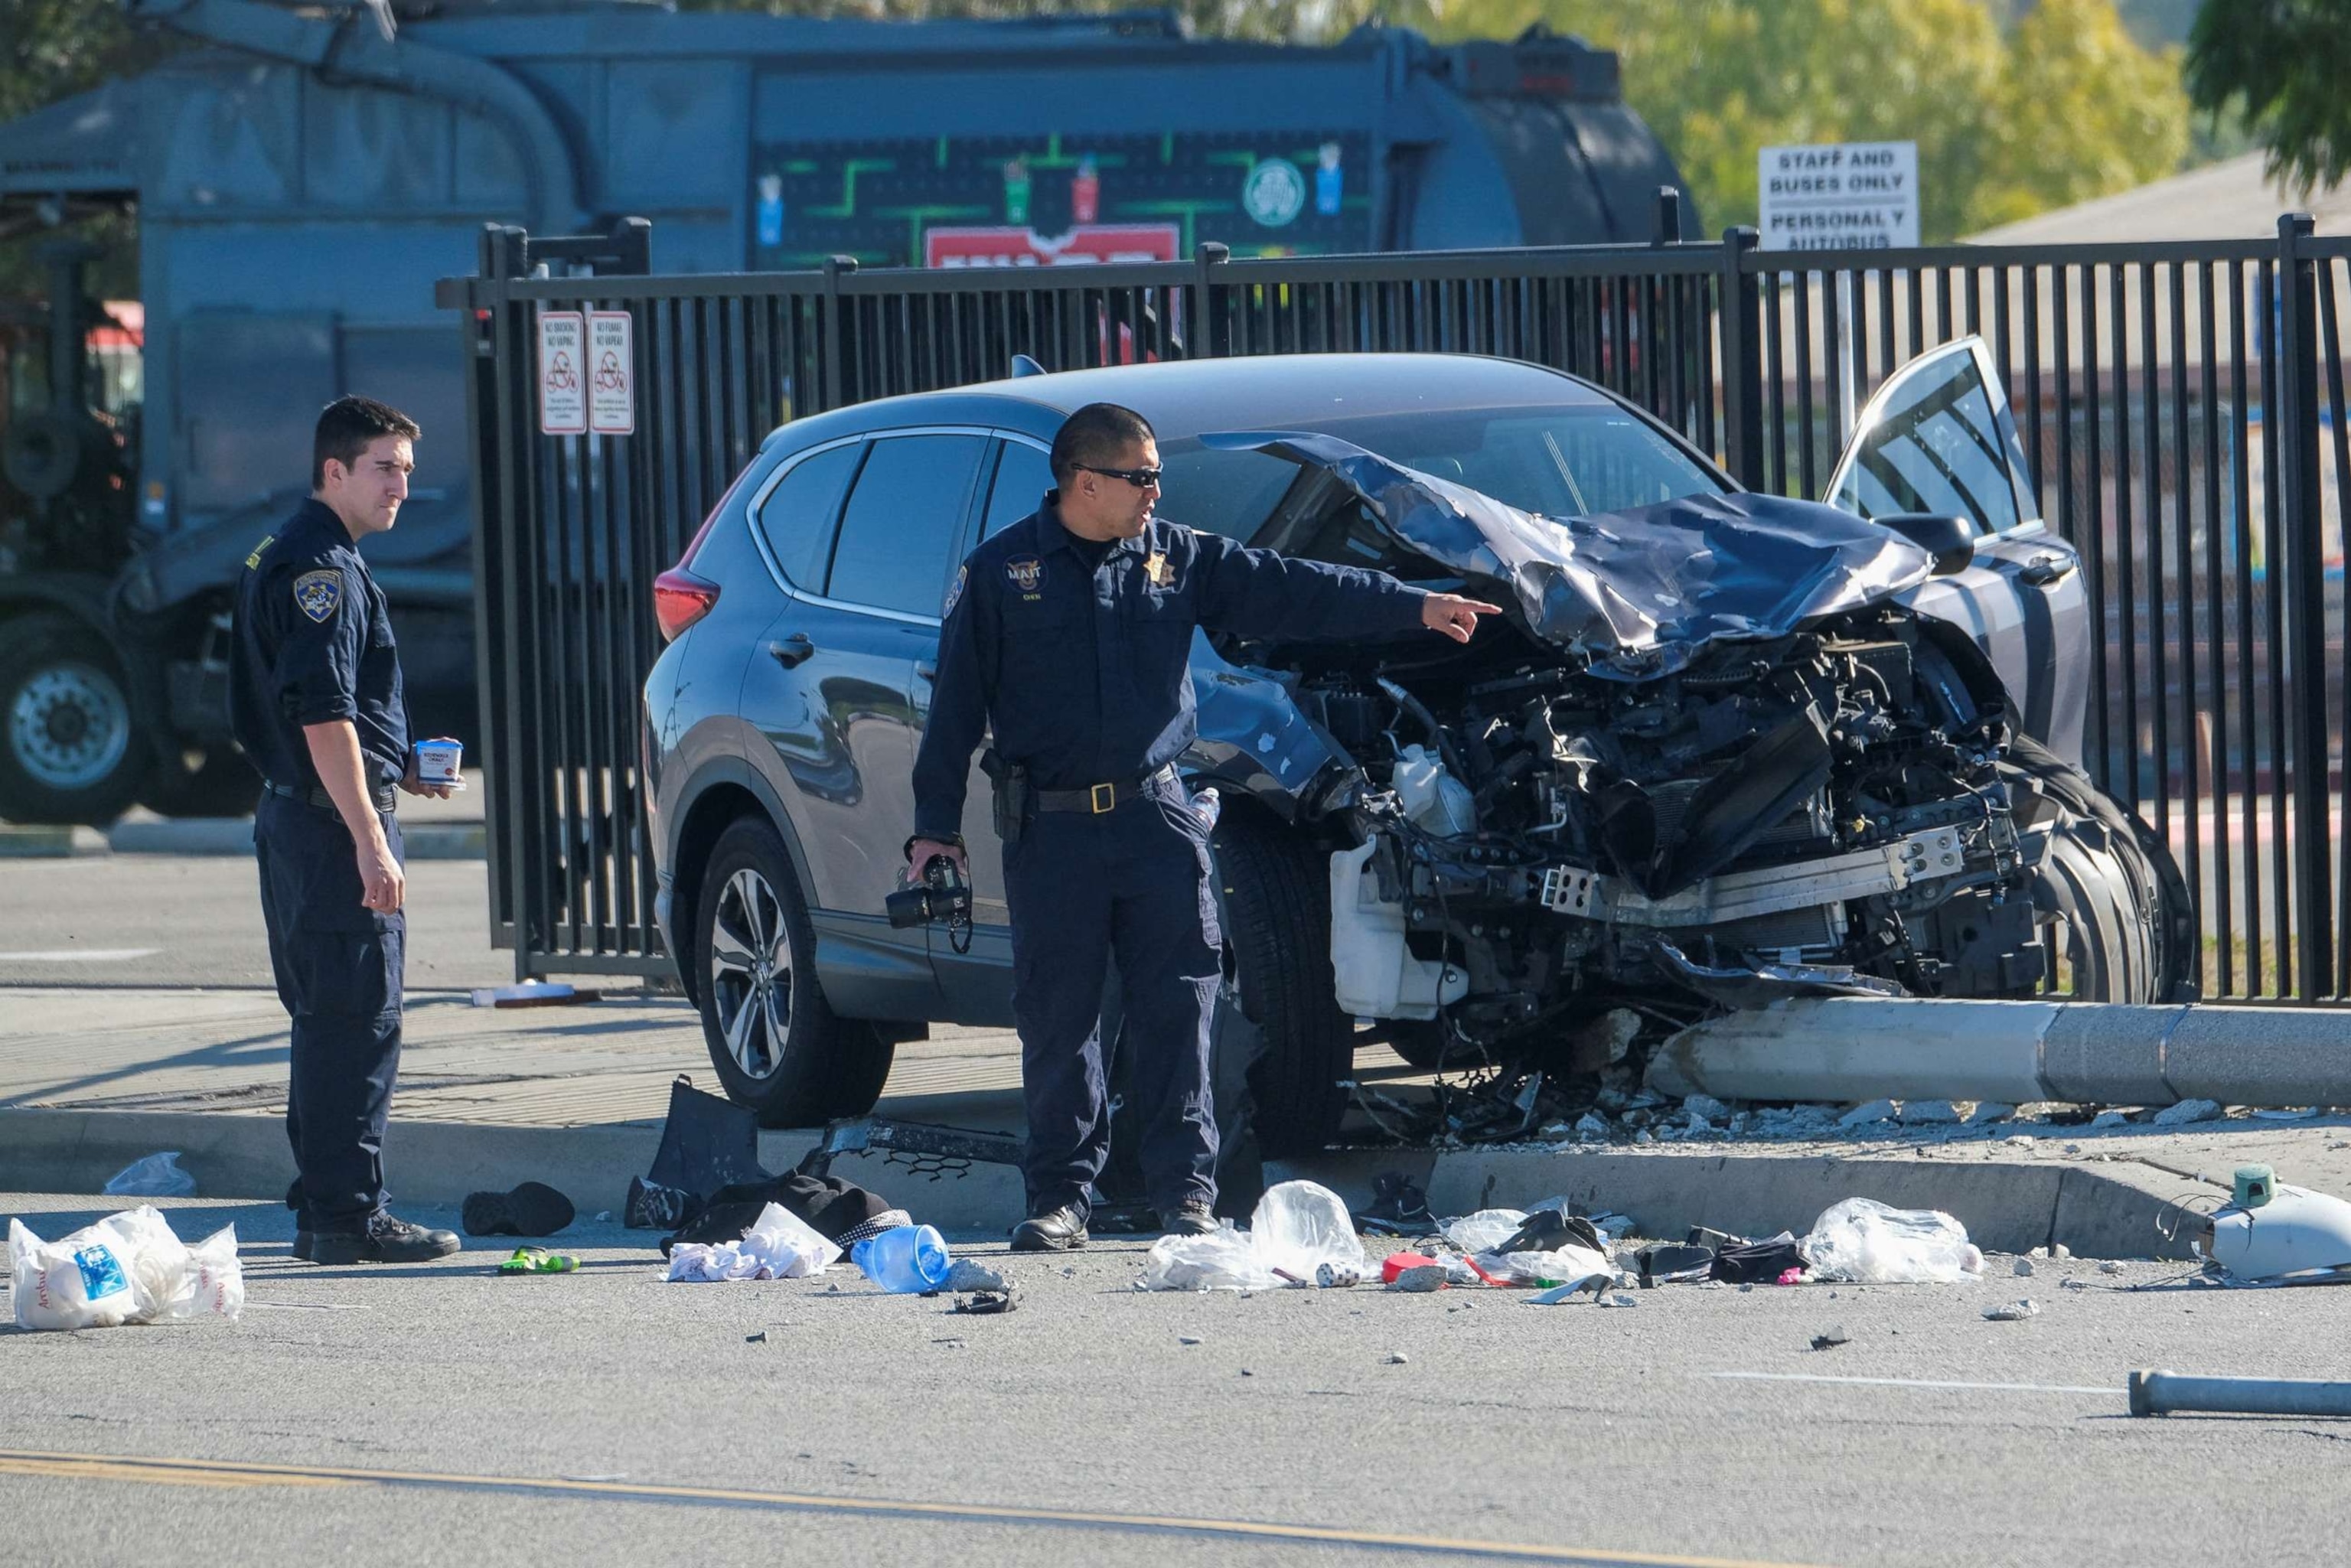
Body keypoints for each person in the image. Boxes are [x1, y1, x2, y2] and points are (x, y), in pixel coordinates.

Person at [909, 403, 1499, 1251]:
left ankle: (1185, 1193)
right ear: (1085, 482)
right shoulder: (1003, 575)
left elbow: (1295, 589)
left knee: (1181, 1008)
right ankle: (1059, 1198)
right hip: (1054, 828)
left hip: (1157, 817)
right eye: (1140, 476)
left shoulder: (1173, 557)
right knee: (1059, 1016)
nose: (1157, 491)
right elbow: (954, 711)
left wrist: (1415, 606)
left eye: (1156, 476)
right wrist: (935, 832)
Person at [229, 396, 460, 1265]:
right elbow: (323, 715)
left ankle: (326, 1208)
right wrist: (370, 834)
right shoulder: (319, 569)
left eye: (406, 467)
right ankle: (347, 1217)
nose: (403, 484)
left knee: (329, 1018)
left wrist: (394, 764)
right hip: (327, 832)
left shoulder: (287, 552)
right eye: (384, 467)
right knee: (354, 1021)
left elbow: (325, 716)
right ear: (334, 471)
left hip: (303, 815)